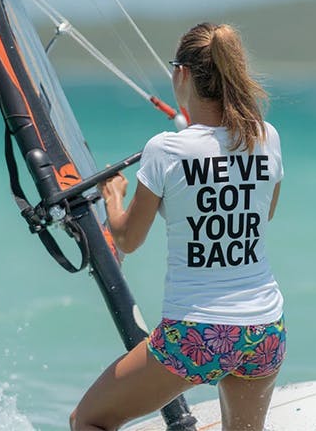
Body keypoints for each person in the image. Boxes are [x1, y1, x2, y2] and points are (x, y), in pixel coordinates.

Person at [70, 22, 286, 431]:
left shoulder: (165, 149)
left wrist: (113, 196)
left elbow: (127, 239)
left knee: (87, 420)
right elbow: (263, 213)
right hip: (264, 331)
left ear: (182, 74)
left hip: (197, 335)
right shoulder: (266, 136)